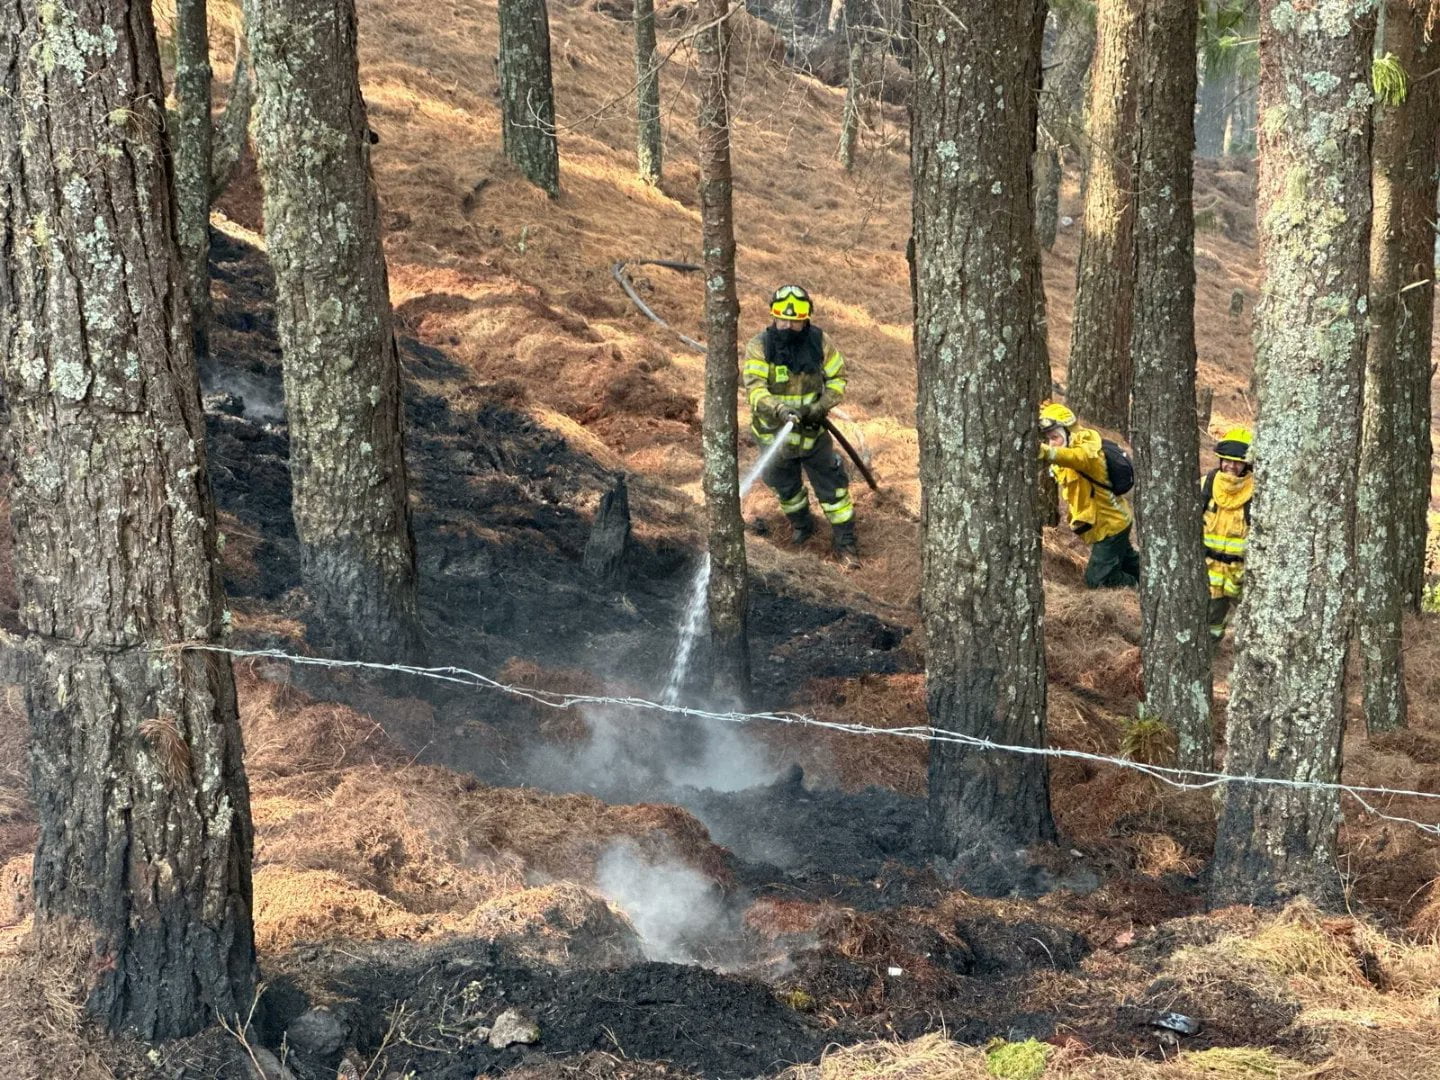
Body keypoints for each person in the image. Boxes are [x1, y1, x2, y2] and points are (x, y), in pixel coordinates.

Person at [742, 284, 859, 568]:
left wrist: (819, 407)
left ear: (806, 319)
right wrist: (780, 410)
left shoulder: (820, 343)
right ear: (773, 316)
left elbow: (838, 379)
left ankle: (845, 542)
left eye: (795, 321)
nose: (788, 326)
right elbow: (755, 390)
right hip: (774, 436)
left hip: (813, 434)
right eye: (782, 319)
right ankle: (802, 526)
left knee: (834, 491)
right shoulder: (760, 347)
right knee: (786, 489)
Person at [1038, 401, 1139, 588]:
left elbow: (1077, 458)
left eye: (1054, 437)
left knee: (1098, 580)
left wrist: (1043, 452)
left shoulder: (1088, 452)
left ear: (1068, 433)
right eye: (1047, 439)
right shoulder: (1070, 448)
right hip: (1106, 525)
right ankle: (1153, 581)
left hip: (1111, 527)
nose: (1051, 443)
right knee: (1133, 564)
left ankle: (1139, 589)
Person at [1202, 426, 1254, 640]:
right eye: (1227, 460)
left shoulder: (1256, 492)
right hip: (1208, 568)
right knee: (1210, 619)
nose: (1231, 466)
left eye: (1238, 462)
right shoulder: (1206, 484)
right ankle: (1208, 654)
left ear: (1247, 464)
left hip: (1240, 574)